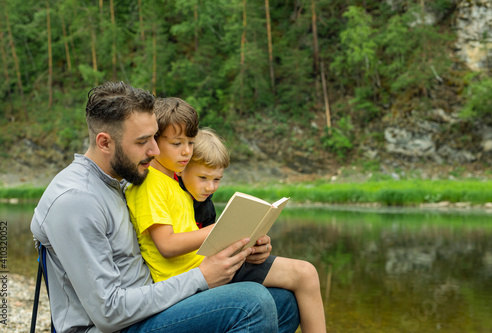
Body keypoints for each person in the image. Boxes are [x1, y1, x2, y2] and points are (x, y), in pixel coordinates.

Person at [30, 82, 299, 333]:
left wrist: (242, 246)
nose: (155, 151)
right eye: (142, 142)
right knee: (252, 302)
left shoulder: (119, 181)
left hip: (148, 310)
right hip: (114, 327)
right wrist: (201, 278)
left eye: (155, 139)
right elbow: (108, 312)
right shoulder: (76, 201)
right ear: (104, 142)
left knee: (284, 302)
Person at [125, 99, 326, 332]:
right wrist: (218, 230)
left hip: (207, 266)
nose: (186, 151)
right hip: (188, 281)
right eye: (177, 143)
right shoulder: (150, 183)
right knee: (302, 275)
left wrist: (248, 242)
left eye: (190, 143)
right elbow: (167, 245)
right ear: (155, 141)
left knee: (292, 292)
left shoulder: (174, 183)